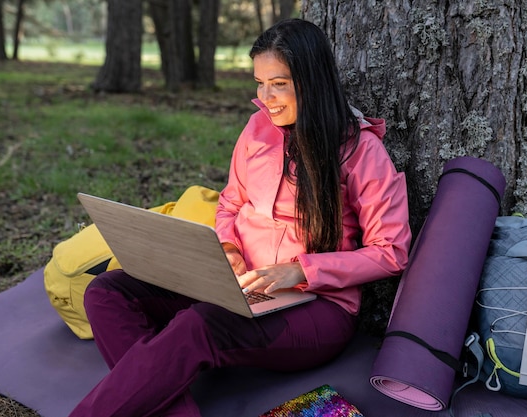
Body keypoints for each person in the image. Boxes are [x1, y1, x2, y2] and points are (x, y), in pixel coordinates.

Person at [68, 18, 411, 417]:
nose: (266, 97)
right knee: (107, 291)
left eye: (279, 83)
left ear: (312, 81)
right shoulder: (257, 129)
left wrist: (300, 271)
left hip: (317, 308)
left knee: (200, 325)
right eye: (259, 83)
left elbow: (391, 252)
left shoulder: (362, 152)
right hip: (238, 283)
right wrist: (228, 249)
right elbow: (230, 202)